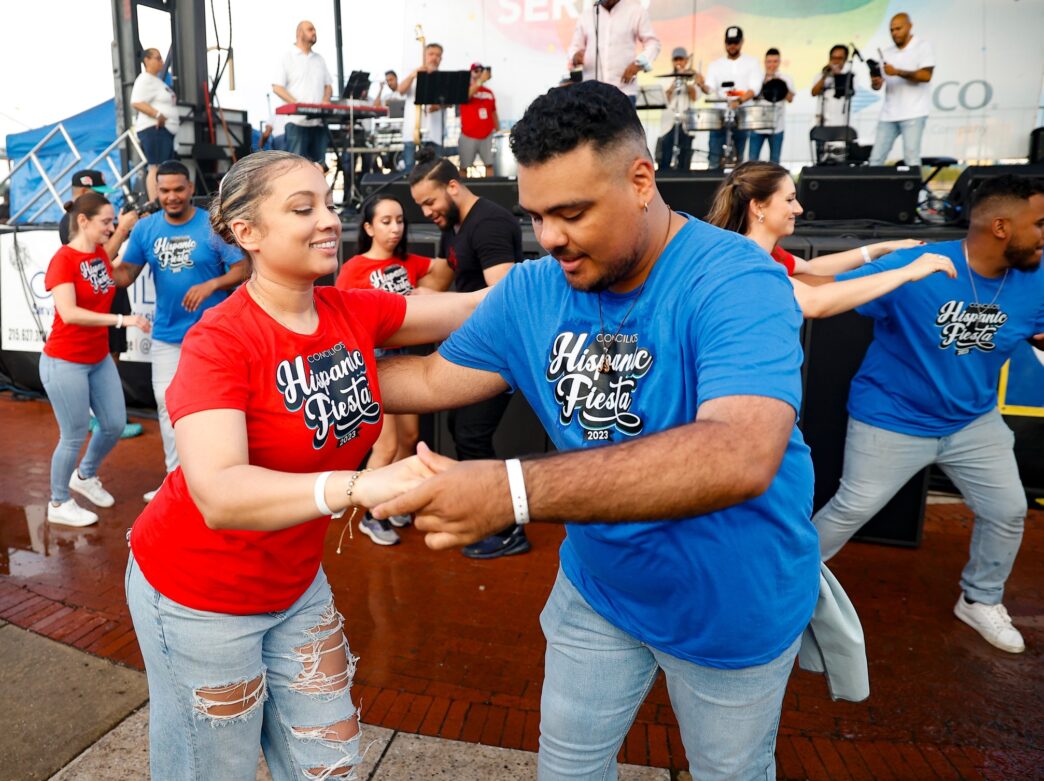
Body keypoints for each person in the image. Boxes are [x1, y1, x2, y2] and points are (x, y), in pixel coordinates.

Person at [375, 81, 824, 778]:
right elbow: (429, 380)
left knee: (730, 771)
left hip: (731, 600)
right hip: (598, 588)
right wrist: (296, 367)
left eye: (572, 212)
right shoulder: (536, 286)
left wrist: (511, 490)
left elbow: (740, 452)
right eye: (536, 215)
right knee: (567, 766)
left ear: (641, 180)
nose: (550, 236)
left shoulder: (735, 278)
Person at [125, 150, 487, 780]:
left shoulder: (349, 310)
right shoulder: (220, 341)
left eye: (327, 203)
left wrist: (571, 269)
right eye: (303, 208)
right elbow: (220, 493)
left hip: (294, 584)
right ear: (248, 234)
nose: (329, 221)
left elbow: (469, 309)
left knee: (329, 764)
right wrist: (364, 485)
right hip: (198, 596)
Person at [813, 175, 1044, 654]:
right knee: (851, 509)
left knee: (1007, 510)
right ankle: (777, 593)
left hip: (973, 422)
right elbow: (817, 291)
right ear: (1001, 226)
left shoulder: (1036, 277)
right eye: (1039, 223)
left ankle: (979, 600)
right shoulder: (916, 268)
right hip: (892, 417)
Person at [408, 150, 528, 559]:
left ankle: (509, 528)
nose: (427, 212)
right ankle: (488, 517)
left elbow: (502, 295)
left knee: (473, 435)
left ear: (453, 186)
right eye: (421, 205)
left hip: (496, 352)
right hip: (471, 349)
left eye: (430, 201)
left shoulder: (489, 222)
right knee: (464, 433)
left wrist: (439, 305)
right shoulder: (457, 223)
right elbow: (450, 275)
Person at [111, 161, 249, 501]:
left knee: (219, 410)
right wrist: (97, 257)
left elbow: (243, 267)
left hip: (214, 335)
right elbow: (124, 275)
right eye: (164, 191)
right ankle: (178, 481)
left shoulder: (210, 225)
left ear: (190, 188)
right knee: (167, 407)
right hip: (167, 336)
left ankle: (219, 479)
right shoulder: (146, 230)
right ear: (156, 192)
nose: (171, 197)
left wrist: (211, 284)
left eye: (178, 189)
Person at [335, 194, 452, 545]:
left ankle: (393, 500)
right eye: (386, 221)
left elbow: (444, 267)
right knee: (383, 447)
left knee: (409, 438)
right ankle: (371, 515)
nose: (395, 229)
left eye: (399, 220)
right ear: (369, 227)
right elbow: (339, 319)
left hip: (401, 360)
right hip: (370, 366)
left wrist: (423, 291)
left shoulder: (407, 263)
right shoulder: (354, 268)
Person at [705, 161, 955, 317]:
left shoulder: (763, 251)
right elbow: (814, 303)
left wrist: (883, 247)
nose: (799, 209)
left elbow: (813, 267)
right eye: (790, 199)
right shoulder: (748, 258)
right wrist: (906, 272)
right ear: (758, 206)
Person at [41, 193, 152, 527]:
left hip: (97, 357)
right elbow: (70, 313)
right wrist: (123, 321)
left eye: (113, 221)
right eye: (106, 221)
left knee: (114, 424)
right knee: (73, 435)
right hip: (64, 361)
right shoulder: (63, 259)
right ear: (83, 221)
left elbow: (112, 258)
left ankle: (85, 476)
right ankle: (58, 503)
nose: (112, 227)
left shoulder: (99, 257)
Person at [59, 170, 142, 439]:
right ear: (84, 193)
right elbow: (94, 262)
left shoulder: (101, 222)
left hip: (111, 297)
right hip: (92, 307)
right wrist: (121, 229)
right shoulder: (69, 224)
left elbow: (111, 264)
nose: (105, 198)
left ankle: (106, 415)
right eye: (99, 193)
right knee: (99, 359)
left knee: (113, 355)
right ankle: (96, 417)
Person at [868, 13, 935, 167]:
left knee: (911, 158)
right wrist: (876, 82)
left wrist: (898, 71)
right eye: (891, 30)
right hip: (888, 114)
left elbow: (926, 75)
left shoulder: (922, 47)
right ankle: (870, 191)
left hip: (914, 112)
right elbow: (877, 86)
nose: (894, 33)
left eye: (898, 29)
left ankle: (916, 192)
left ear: (909, 26)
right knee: (875, 159)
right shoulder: (886, 52)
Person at [566, 0, 660, 105]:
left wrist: (639, 64)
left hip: (623, 92)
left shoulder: (635, 11)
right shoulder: (587, 15)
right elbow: (574, 47)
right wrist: (575, 56)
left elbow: (653, 44)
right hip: (591, 93)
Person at [696, 26, 763, 167]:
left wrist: (739, 101)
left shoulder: (752, 62)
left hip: (742, 115)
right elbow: (710, 88)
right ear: (725, 43)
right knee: (714, 157)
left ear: (741, 42)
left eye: (735, 42)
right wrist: (702, 85)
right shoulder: (715, 65)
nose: (732, 46)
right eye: (729, 42)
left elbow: (754, 88)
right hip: (720, 115)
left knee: (739, 159)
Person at [272, 20, 334, 165]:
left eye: (315, 30)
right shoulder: (287, 57)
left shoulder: (320, 59)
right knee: (297, 168)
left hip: (318, 122)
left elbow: (328, 85)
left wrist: (326, 99)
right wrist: (297, 104)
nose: (314, 33)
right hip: (296, 123)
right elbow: (277, 87)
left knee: (319, 168)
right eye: (310, 29)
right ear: (299, 33)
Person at [130, 48, 179, 201]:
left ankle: (161, 198)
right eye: (158, 58)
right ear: (147, 60)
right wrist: (157, 115)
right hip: (154, 129)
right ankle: (154, 201)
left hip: (165, 130)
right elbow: (136, 102)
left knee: (163, 167)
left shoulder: (157, 81)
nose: (162, 62)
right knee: (155, 167)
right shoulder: (145, 79)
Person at [397, 43, 445, 171]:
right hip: (412, 132)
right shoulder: (413, 74)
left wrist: (440, 106)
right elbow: (400, 90)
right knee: (410, 171)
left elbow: (448, 102)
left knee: (434, 172)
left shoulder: (442, 78)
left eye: (438, 55)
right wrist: (414, 75)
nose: (434, 58)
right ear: (424, 56)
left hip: (434, 133)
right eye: (431, 54)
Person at [747, 49, 795, 164]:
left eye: (775, 61)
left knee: (775, 161)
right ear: (764, 62)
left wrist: (780, 85)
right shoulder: (757, 78)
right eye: (769, 62)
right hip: (757, 125)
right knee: (752, 160)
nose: (772, 65)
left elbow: (790, 99)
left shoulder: (785, 78)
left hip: (776, 126)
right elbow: (750, 95)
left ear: (779, 62)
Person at [657, 47, 696, 172]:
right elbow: (664, 100)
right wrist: (674, 84)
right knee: (665, 156)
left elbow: (694, 96)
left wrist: (685, 79)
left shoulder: (691, 77)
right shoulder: (666, 78)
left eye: (681, 59)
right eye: (676, 59)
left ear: (686, 61)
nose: (678, 62)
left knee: (684, 158)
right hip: (669, 124)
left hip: (685, 123)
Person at [458, 64, 499, 178]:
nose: (479, 72)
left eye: (481, 70)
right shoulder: (466, 88)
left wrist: (498, 131)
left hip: (487, 134)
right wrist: (480, 81)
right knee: (464, 167)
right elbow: (465, 96)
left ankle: (491, 191)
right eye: (476, 70)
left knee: (490, 165)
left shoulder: (489, 92)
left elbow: (493, 113)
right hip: (468, 134)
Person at [811, 44, 853, 129]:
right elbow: (814, 92)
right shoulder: (822, 74)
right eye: (833, 58)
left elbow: (846, 93)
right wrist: (825, 75)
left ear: (845, 60)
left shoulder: (850, 76)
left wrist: (837, 75)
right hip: (823, 120)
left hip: (841, 121)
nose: (836, 61)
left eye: (839, 58)